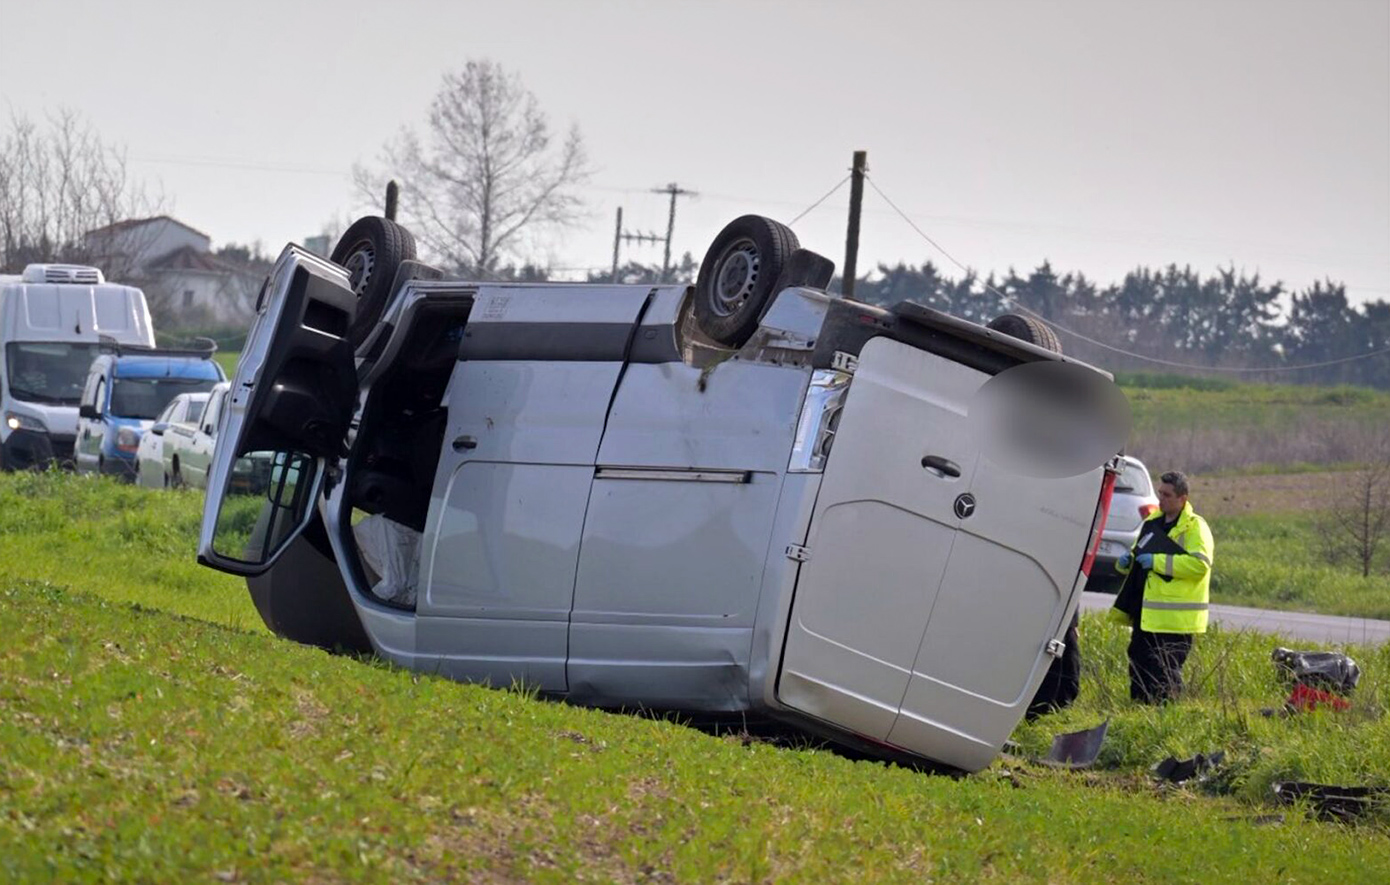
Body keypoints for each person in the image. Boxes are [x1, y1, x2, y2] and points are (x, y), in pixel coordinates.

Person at [1109, 470, 1214, 703]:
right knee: (1139, 664)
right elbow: (1138, 554)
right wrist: (1126, 563)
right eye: (1160, 493)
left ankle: (1165, 716)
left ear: (1183, 498)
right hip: (1146, 613)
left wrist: (1157, 562)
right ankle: (1138, 712)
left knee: (1164, 672)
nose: (1161, 499)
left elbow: (1200, 565)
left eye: (1167, 495)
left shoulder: (1194, 527)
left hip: (1174, 620)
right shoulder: (1152, 522)